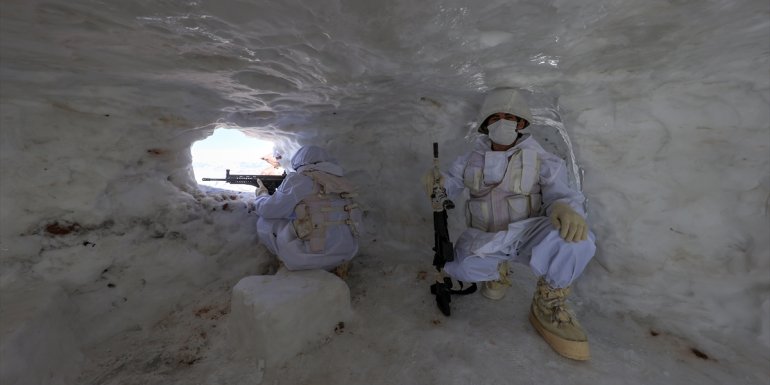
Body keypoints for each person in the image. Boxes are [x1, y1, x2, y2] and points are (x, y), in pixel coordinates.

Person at [423, 88, 597, 361]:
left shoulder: (543, 160)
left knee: (574, 238)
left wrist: (565, 207)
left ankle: (549, 301)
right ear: (485, 124)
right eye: (495, 117)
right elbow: (449, 188)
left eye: (509, 116)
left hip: (528, 233)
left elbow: (559, 193)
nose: (502, 122)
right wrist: (438, 185)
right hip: (486, 237)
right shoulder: (468, 160)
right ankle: (498, 270)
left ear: (522, 123)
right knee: (459, 267)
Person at [254, 145, 362, 274]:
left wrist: (261, 195)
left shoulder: (300, 180)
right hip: (347, 252)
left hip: (310, 258)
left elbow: (268, 210)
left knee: (264, 222)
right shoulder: (342, 182)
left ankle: (284, 260)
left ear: (299, 160)